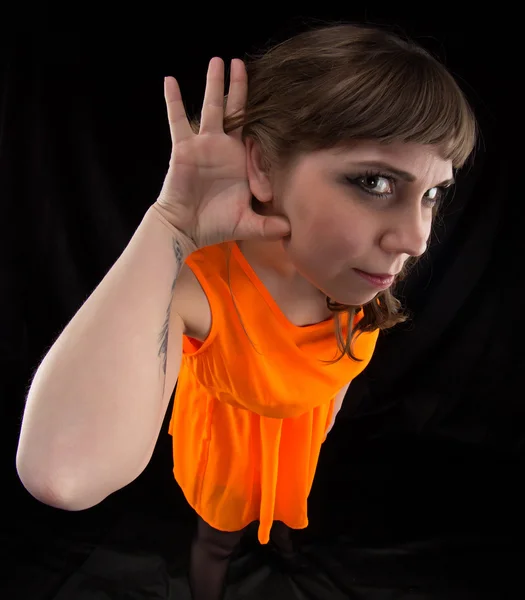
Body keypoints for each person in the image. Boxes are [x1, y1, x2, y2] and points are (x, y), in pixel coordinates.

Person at [16, 21, 477, 600]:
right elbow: (63, 474)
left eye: (433, 194)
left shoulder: (353, 275)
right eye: (374, 181)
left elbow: (338, 364)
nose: (416, 239)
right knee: (216, 542)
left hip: (299, 439)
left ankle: (282, 532)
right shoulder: (204, 291)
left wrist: (326, 410)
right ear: (261, 166)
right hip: (230, 452)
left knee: (285, 513)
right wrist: (171, 226)